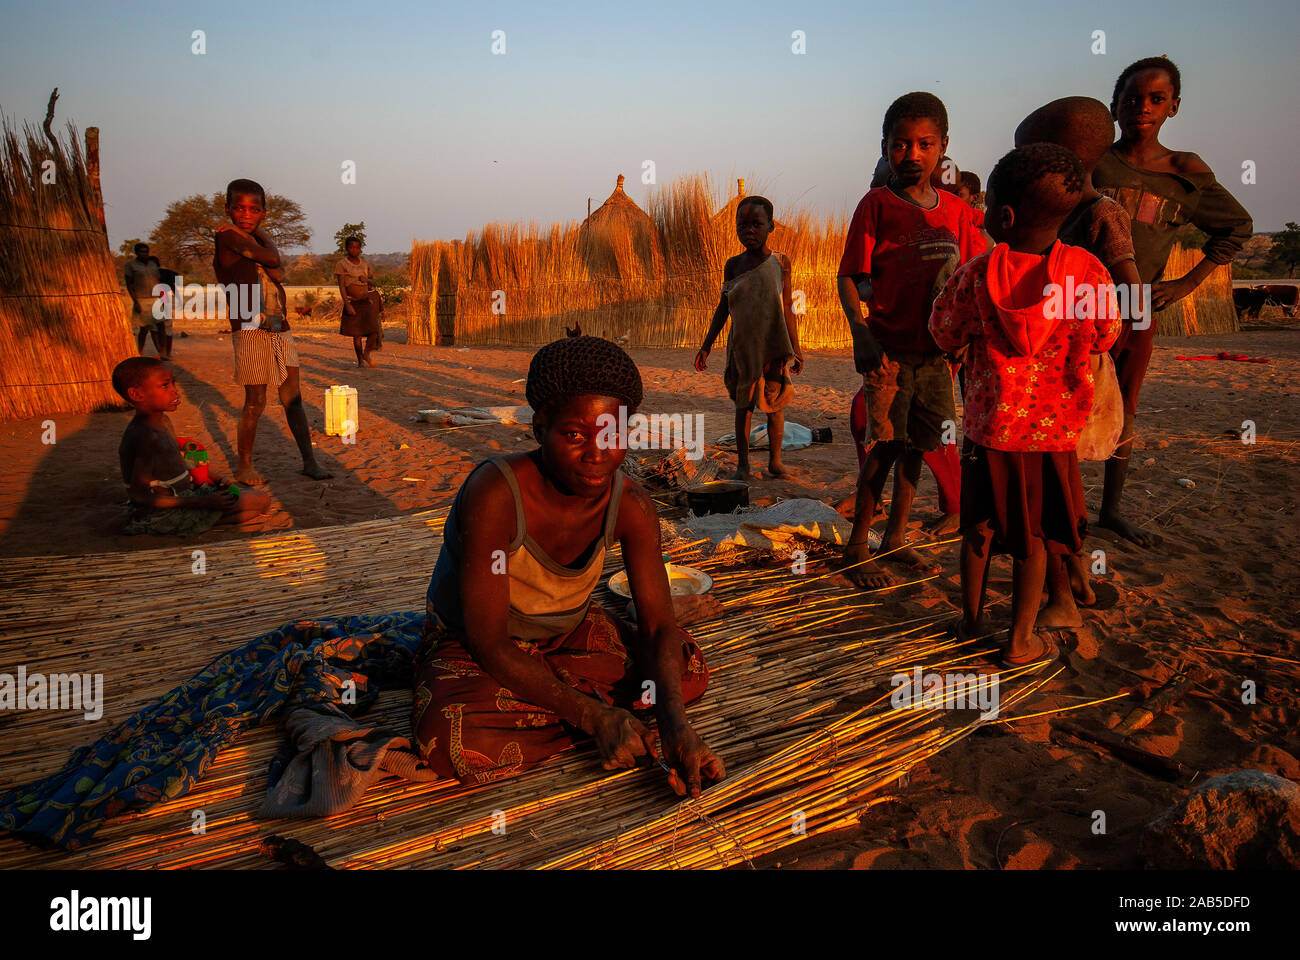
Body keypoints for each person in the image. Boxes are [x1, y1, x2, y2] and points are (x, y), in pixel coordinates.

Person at [413, 336, 724, 796]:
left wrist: (676, 726)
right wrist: (593, 714)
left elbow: (659, 626)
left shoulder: (631, 505)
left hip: (568, 632)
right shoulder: (496, 495)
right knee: (454, 741)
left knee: (684, 666)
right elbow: (489, 641)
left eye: (613, 434)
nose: (597, 454)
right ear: (540, 428)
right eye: (575, 435)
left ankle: (589, 712)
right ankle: (603, 718)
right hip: (478, 643)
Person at [929, 144, 1121, 666]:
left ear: (1005, 216)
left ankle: (969, 621)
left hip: (987, 433)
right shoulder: (1088, 273)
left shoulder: (974, 273)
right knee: (1033, 539)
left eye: (987, 206)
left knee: (979, 530)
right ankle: (1019, 639)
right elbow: (1106, 335)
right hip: (1051, 436)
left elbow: (944, 332)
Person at [1093, 56, 1253, 548]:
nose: (1143, 106)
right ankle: (1064, 508)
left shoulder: (1185, 173)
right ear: (1114, 104)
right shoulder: (1094, 162)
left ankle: (1111, 510)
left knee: (1125, 408)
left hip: (1138, 309)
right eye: (1132, 97)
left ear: (1174, 107)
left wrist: (1186, 284)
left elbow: (1236, 227)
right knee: (1067, 405)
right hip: (1078, 306)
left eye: (1156, 99)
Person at [837, 93, 985, 588]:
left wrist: (965, 336)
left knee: (919, 449)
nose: (912, 155)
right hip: (888, 355)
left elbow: (973, 276)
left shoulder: (960, 215)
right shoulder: (876, 206)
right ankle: (859, 544)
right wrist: (860, 333)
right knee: (882, 448)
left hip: (937, 360)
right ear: (885, 147)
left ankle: (895, 537)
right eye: (901, 145)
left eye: (925, 144)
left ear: (944, 147)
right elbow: (848, 276)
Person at [1014, 95, 1142, 627]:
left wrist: (1098, 350)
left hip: (1076, 374)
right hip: (1051, 376)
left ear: (1062, 160)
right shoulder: (1057, 218)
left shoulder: (1100, 214)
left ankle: (1066, 590)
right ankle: (1077, 580)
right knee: (1058, 478)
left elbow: (1130, 294)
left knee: (1058, 481)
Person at [213, 178, 333, 485]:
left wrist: (261, 236)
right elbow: (271, 260)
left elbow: (277, 269)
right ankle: (244, 467)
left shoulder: (250, 239)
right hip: (250, 327)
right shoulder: (227, 238)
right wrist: (262, 241)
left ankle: (309, 461)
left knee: (293, 397)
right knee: (255, 401)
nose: (246, 215)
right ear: (227, 209)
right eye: (239, 208)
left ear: (263, 213)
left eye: (254, 210)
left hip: (279, 326)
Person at [694, 195, 804, 479]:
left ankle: (775, 462)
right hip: (743, 348)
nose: (749, 231)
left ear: (771, 226)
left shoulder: (781, 263)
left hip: (774, 346)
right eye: (742, 225)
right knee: (743, 407)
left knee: (775, 405)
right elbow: (723, 307)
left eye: (757, 224)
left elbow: (788, 307)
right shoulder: (733, 265)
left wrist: (796, 347)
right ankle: (743, 465)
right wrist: (706, 345)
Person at [113, 357, 271, 536]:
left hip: (185, 495)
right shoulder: (146, 436)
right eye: (165, 386)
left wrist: (217, 478)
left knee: (252, 502)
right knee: (261, 501)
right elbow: (139, 496)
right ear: (137, 395)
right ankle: (188, 523)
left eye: (174, 384)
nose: (175, 392)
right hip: (165, 510)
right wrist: (204, 502)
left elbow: (178, 461)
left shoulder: (163, 422)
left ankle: (201, 519)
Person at [334, 236, 384, 368]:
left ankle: (366, 354)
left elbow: (373, 283)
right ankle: (360, 361)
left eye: (357, 247)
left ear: (360, 249)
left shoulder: (365, 264)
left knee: (374, 330)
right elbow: (341, 287)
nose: (354, 250)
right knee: (357, 335)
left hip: (365, 301)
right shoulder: (342, 264)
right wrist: (347, 304)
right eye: (351, 247)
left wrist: (366, 280)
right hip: (353, 302)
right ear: (346, 248)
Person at [123, 243, 164, 358]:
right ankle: (139, 352)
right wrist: (135, 301)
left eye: (146, 252)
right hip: (141, 299)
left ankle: (161, 352)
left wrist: (162, 298)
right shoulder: (131, 266)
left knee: (158, 327)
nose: (144, 254)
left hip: (155, 299)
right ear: (136, 253)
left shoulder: (153, 265)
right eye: (142, 252)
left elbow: (158, 281)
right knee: (144, 329)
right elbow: (129, 284)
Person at [148, 256, 177, 360]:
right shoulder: (145, 276)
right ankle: (161, 352)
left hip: (164, 301)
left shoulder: (164, 274)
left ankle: (166, 352)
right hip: (151, 302)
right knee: (154, 328)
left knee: (167, 327)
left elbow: (172, 284)